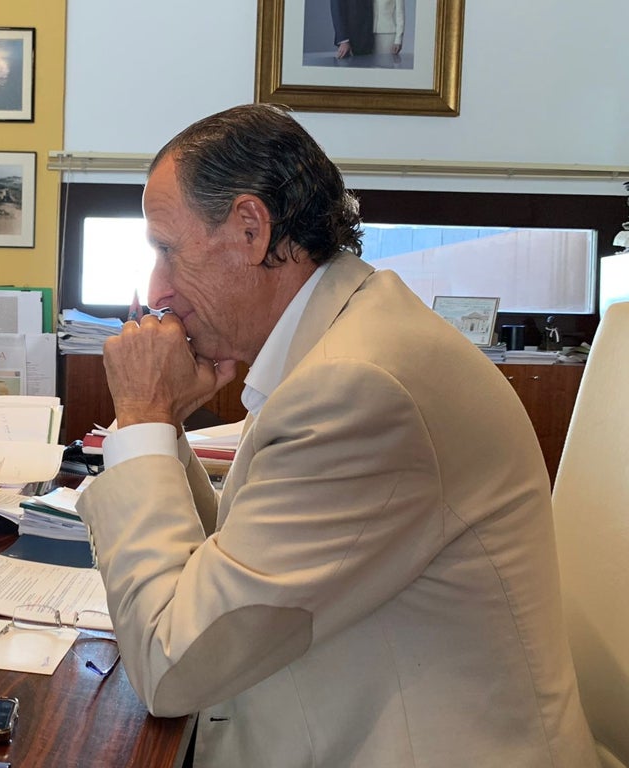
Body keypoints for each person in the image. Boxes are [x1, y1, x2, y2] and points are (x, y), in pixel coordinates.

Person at [75, 103, 597, 767]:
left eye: (167, 250)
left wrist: (145, 415)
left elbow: (171, 664)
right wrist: (165, 422)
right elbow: (232, 567)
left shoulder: (361, 385)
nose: (157, 290)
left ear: (248, 229)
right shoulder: (342, 336)